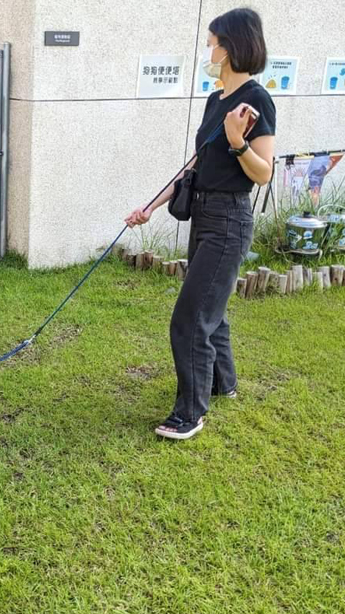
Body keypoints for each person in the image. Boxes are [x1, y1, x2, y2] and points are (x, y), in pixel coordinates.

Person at [124, 8, 276, 440]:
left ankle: (189, 413)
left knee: (190, 317)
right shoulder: (216, 100)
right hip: (204, 213)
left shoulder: (256, 100)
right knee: (212, 305)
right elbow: (196, 164)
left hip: (230, 216)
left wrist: (237, 141)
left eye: (212, 42)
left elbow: (263, 172)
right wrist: (151, 206)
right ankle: (222, 382)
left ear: (229, 47)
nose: (208, 50)